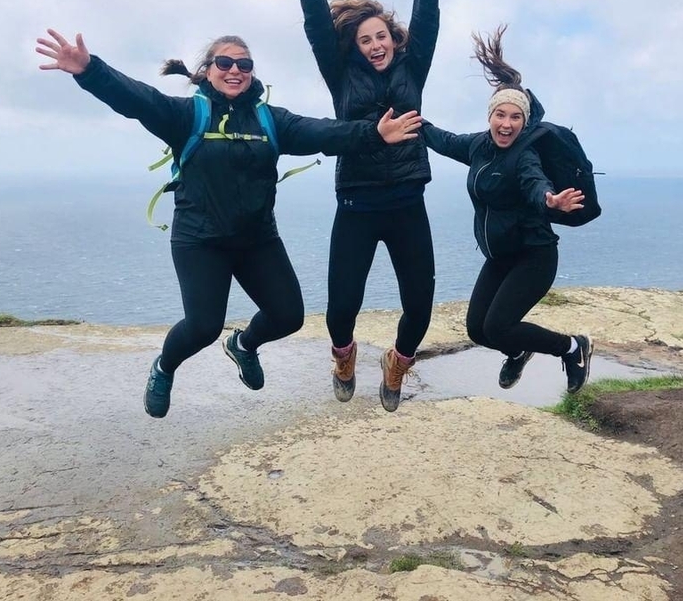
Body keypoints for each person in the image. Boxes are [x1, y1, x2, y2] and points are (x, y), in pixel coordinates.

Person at [35, 29, 422, 418]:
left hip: (256, 240)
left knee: (288, 317)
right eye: (225, 62)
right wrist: (89, 70)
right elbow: (136, 98)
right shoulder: (186, 116)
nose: (235, 70)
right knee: (203, 326)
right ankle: (164, 367)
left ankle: (243, 345)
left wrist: (374, 133)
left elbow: (323, 132)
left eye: (244, 64)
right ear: (207, 71)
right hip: (200, 241)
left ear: (253, 74)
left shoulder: (269, 119)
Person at [280, 0, 447, 412]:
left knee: (419, 306)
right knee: (340, 311)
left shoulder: (412, 66)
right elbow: (314, 20)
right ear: (354, 46)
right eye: (365, 39)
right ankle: (344, 356)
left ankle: (396, 365)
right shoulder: (341, 74)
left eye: (382, 37)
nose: (376, 44)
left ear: (394, 41)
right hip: (356, 202)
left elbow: (427, 10)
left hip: (406, 201)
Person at [420, 25, 593, 394]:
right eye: (501, 115)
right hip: (500, 256)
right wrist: (413, 121)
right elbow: (444, 140)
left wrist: (550, 200)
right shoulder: (478, 147)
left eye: (516, 118)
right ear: (490, 116)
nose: (507, 124)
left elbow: (534, 184)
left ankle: (573, 347)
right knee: (477, 330)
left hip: (534, 255)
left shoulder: (524, 155)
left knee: (497, 325)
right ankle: (518, 352)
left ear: (524, 121)